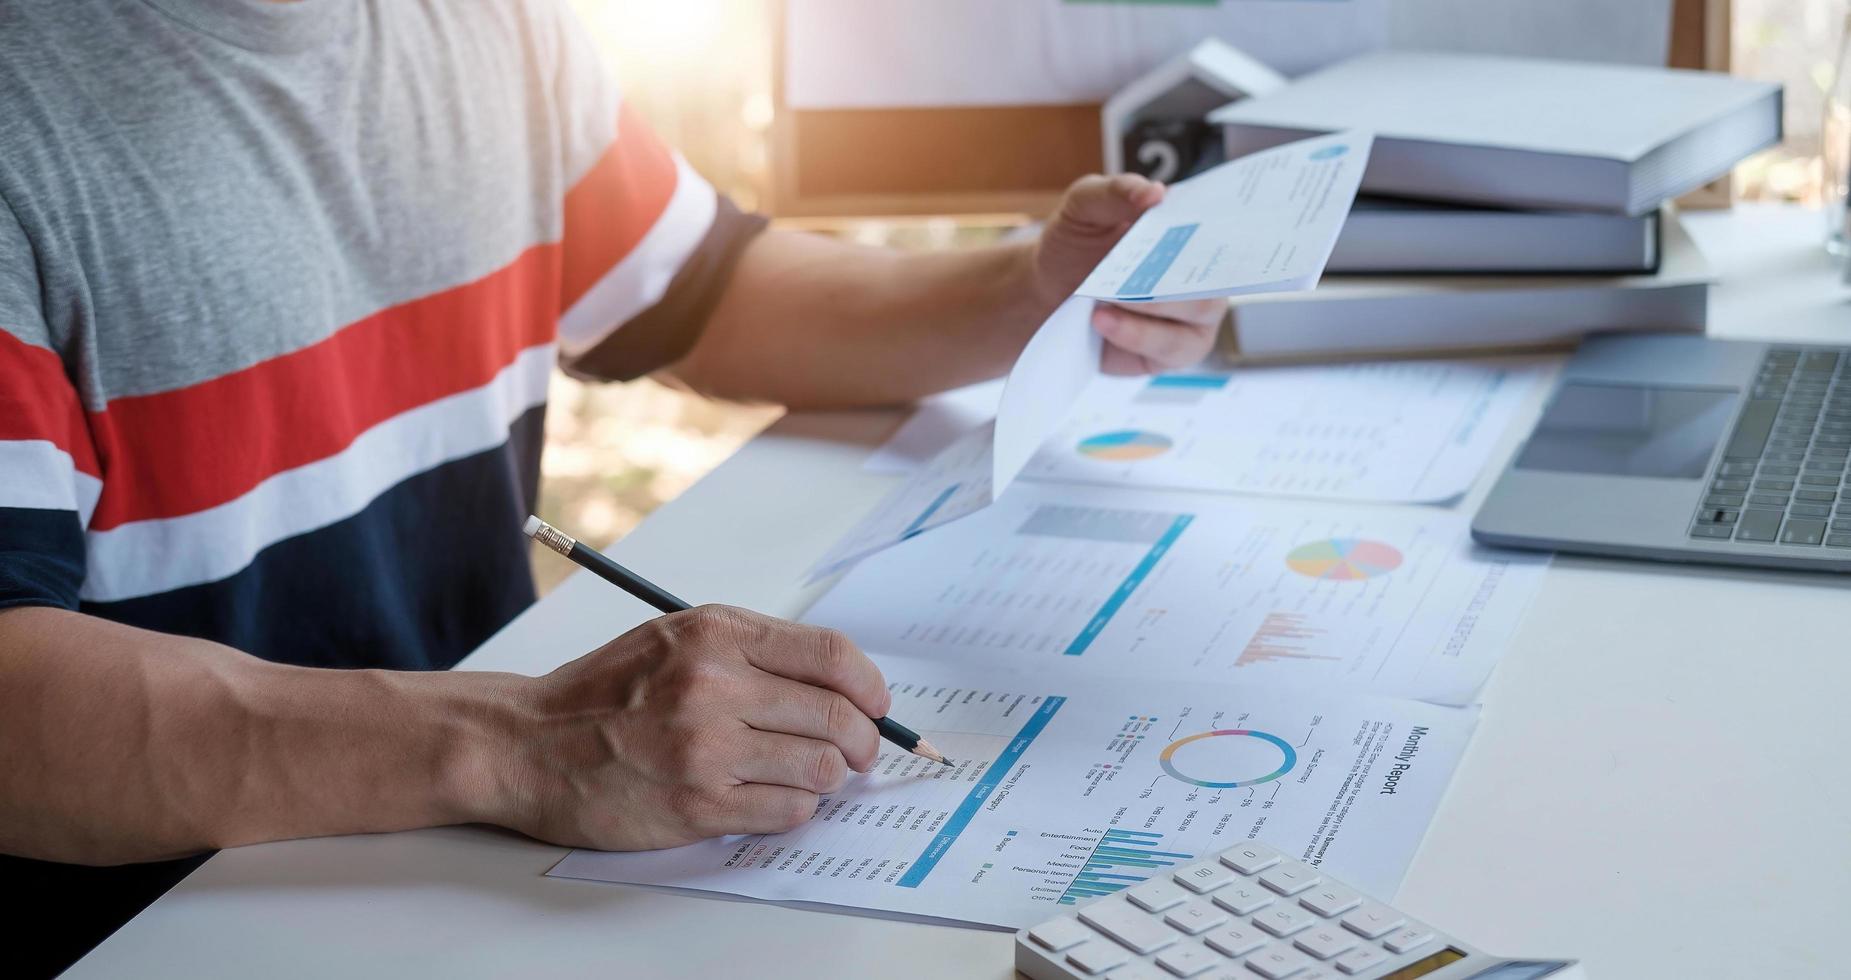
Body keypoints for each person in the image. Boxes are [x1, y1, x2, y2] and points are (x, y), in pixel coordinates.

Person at [0, 0, 1222, 972]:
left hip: (458, 873)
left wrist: (1031, 295)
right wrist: (521, 744)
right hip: (176, 919)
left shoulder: (492, 26)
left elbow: (700, 289)